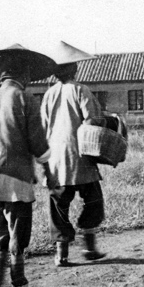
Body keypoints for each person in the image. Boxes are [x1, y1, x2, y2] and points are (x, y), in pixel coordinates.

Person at [0, 44, 55, 287]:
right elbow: (37, 142)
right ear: (25, 75)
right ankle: (18, 283)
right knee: (19, 224)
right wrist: (47, 169)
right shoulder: (25, 99)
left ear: (1, 75)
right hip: (15, 171)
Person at [40, 41, 106, 266]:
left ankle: (61, 254)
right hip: (81, 156)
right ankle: (89, 247)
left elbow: (44, 126)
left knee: (59, 205)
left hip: (56, 160)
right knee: (94, 199)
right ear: (74, 69)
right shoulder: (80, 90)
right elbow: (93, 121)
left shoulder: (48, 94)